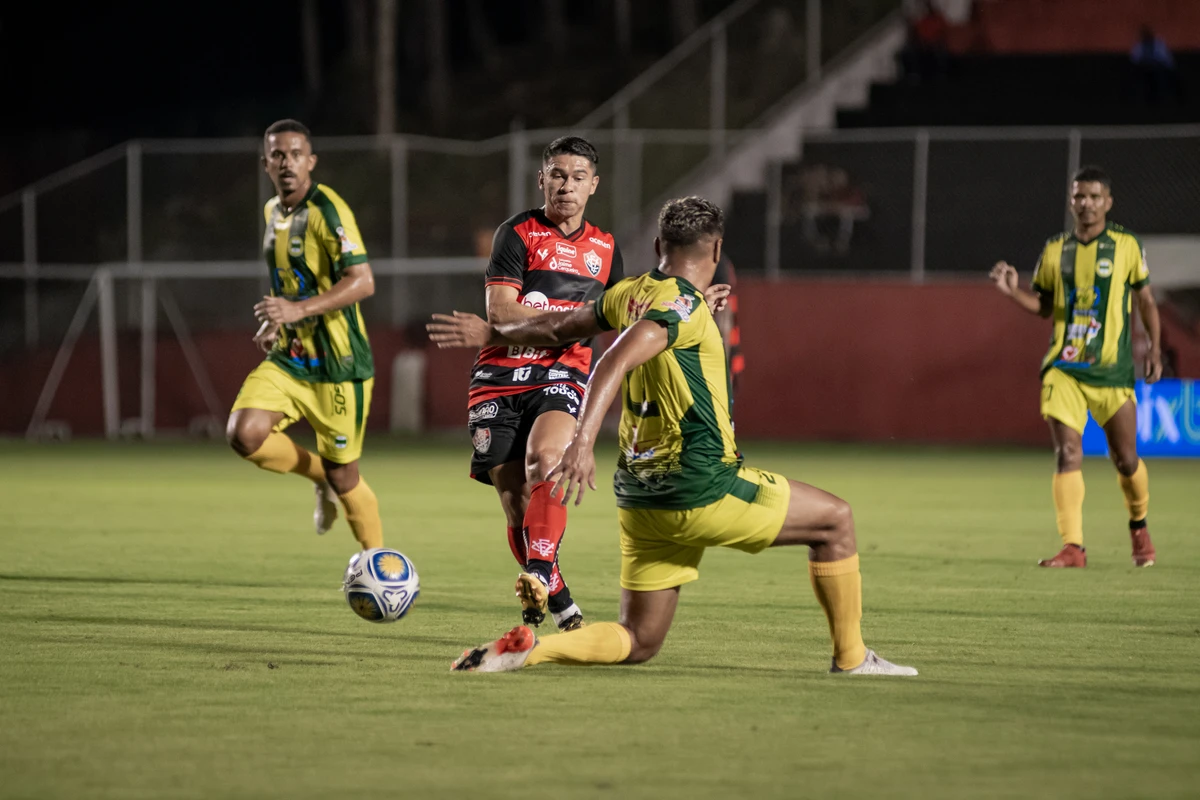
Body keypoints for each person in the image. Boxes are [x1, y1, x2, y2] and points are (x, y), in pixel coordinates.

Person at [429, 196, 917, 677]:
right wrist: (581, 441)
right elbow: (618, 356)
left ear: (660, 243)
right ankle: (852, 659)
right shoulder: (681, 307)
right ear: (717, 249)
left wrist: (494, 334)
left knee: (638, 641)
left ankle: (529, 652)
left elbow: (563, 324)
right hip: (702, 484)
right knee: (836, 521)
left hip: (643, 501)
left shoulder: (634, 294)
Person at [464, 136, 624, 633]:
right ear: (542, 179)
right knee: (515, 508)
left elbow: (625, 311)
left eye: (578, 178)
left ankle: (535, 573)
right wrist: (576, 318)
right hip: (498, 376)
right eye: (557, 174)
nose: (567, 186)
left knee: (545, 462)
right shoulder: (516, 233)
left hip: (563, 372)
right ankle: (559, 599)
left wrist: (698, 298)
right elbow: (502, 314)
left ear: (593, 186)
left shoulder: (606, 248)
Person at [990, 166, 1161, 569]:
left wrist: (1153, 346)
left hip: (1112, 370)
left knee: (1126, 460)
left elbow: (1147, 300)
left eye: (1094, 197)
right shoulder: (1054, 250)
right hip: (1064, 368)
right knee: (1067, 453)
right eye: (1079, 196)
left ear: (1108, 202)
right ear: (1070, 201)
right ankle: (1073, 547)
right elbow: (1045, 307)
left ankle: (1139, 527)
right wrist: (1013, 292)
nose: (1086, 204)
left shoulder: (1126, 246)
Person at [226, 119, 383, 551]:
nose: (287, 162)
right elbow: (290, 279)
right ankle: (319, 477)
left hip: (339, 366)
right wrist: (277, 320)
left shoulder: (327, 210)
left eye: (296, 154)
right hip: (291, 357)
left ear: (310, 161)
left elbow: (364, 280)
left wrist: (297, 309)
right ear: (266, 164)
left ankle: (380, 569)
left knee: (345, 475)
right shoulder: (272, 213)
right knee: (244, 433)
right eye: (278, 154)